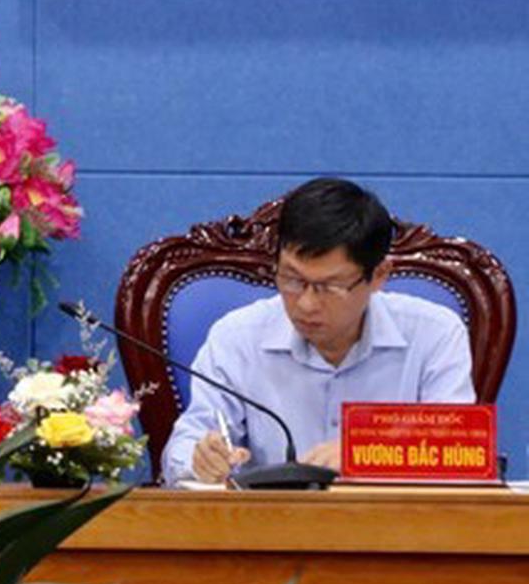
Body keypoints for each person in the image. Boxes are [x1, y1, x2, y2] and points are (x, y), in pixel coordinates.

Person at [163, 177, 475, 485]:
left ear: (379, 275)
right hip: (270, 516)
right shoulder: (237, 337)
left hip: (393, 517)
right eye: (292, 279)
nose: (307, 304)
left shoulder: (435, 335)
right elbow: (185, 444)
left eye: (330, 287)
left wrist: (367, 454)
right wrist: (200, 459)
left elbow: (459, 449)